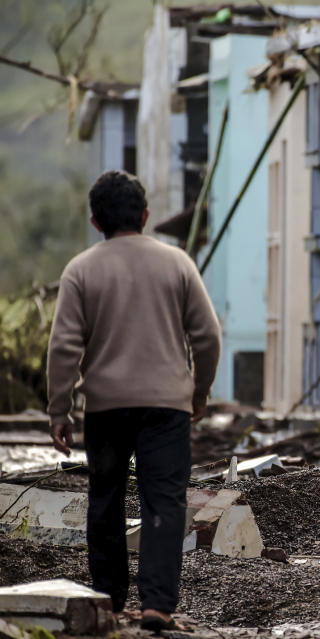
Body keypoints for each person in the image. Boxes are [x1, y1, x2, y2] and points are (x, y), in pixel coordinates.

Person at [47, 170, 221, 631]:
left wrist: (58, 410)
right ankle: (157, 605)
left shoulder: (81, 270)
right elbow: (207, 335)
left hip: (104, 407)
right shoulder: (177, 263)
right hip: (167, 407)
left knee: (104, 499)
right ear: (145, 216)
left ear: (94, 220)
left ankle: (107, 600)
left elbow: (64, 346)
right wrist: (197, 392)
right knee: (163, 502)